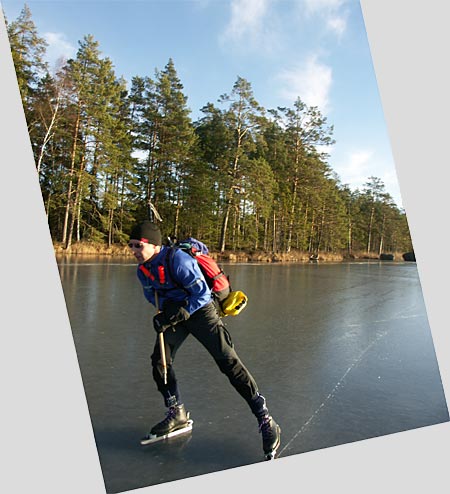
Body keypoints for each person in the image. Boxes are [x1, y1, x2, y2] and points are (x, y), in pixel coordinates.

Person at [128, 220, 281, 459]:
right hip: (176, 312)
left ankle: (266, 420)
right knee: (160, 360)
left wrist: (182, 311)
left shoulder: (178, 260)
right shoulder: (142, 270)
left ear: (155, 245)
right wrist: (167, 314)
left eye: (139, 245)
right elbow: (152, 296)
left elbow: (201, 294)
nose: (134, 251)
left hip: (201, 310)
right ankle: (176, 413)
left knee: (228, 362)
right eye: (131, 246)